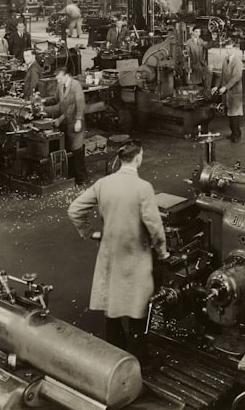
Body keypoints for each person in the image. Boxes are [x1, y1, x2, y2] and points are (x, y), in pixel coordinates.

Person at [66, 140, 167, 365]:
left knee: (111, 303)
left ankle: (114, 358)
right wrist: (162, 252)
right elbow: (155, 226)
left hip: (110, 252)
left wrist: (90, 232)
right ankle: (139, 360)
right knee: (137, 307)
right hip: (135, 255)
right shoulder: (143, 188)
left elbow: (74, 210)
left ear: (120, 159)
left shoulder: (103, 184)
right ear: (138, 157)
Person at [44, 68, 88, 184]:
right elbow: (56, 100)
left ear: (66, 75)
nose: (58, 81)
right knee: (68, 149)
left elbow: (80, 104)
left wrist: (79, 120)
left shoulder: (75, 85)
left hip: (75, 122)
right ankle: (72, 176)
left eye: (59, 78)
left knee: (77, 150)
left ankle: (82, 179)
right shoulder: (60, 85)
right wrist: (42, 103)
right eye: (57, 79)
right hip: (65, 122)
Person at [213, 38, 244, 143]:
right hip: (228, 93)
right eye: (227, 49)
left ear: (234, 48)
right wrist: (216, 86)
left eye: (230, 48)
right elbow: (222, 75)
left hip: (235, 93)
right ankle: (233, 133)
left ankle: (237, 135)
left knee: (234, 116)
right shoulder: (226, 60)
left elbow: (236, 77)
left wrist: (225, 87)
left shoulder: (237, 62)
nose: (228, 50)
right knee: (230, 115)